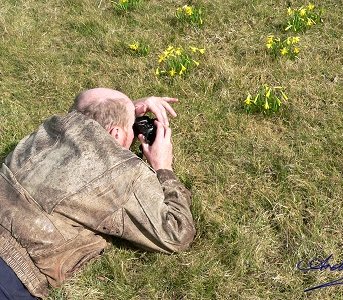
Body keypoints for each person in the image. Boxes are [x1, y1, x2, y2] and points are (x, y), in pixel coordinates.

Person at [0, 88, 196, 299]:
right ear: (116, 134)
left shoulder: (50, 128)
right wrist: (163, 167)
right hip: (9, 274)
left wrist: (126, 109)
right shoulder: (120, 171)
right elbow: (176, 234)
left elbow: (89, 112)